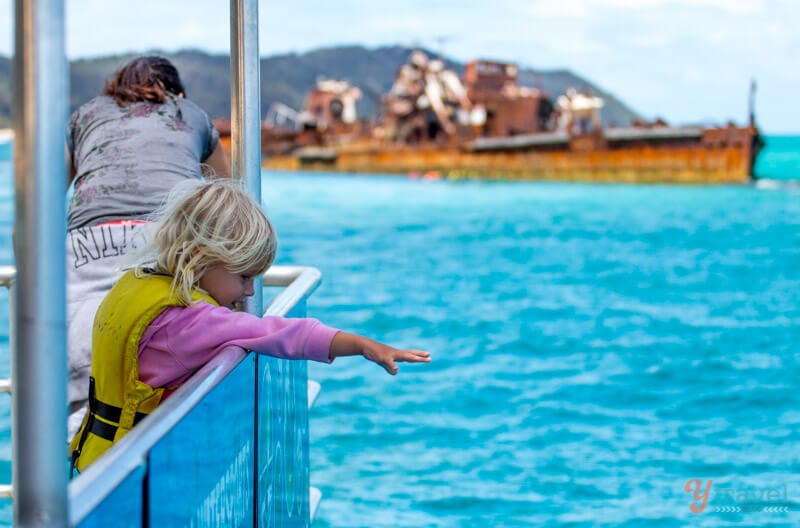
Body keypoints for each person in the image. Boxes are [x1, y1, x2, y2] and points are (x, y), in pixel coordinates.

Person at [68, 179, 431, 472]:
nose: (249, 291)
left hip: (92, 461)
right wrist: (364, 345)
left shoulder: (137, 283)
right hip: (133, 477)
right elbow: (281, 333)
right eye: (243, 276)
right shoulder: (191, 321)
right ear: (199, 258)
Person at [66, 56, 230, 438]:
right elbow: (228, 192)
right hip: (165, 235)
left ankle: (81, 478)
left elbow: (47, 194)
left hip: (89, 241)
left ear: (114, 88)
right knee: (164, 364)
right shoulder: (191, 113)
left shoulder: (86, 115)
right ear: (179, 92)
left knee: (85, 382)